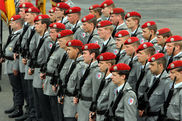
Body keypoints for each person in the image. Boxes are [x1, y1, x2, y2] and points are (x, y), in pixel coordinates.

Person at [28, 15, 54, 121]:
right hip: (37, 72)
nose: (35, 26)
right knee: (38, 102)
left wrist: (45, 75)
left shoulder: (47, 40)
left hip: (42, 74)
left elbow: (49, 60)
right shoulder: (40, 37)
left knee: (43, 104)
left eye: (37, 24)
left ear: (44, 25)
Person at [40, 23, 65, 121]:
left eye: (52, 32)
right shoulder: (54, 45)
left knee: (56, 110)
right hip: (48, 79)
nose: (50, 34)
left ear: (59, 34)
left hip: (55, 82)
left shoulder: (62, 49)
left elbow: (62, 69)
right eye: (50, 32)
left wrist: (57, 83)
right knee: (50, 107)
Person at [1, 15, 24, 118]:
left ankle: (19, 108)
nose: (10, 24)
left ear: (18, 24)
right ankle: (15, 105)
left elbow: (17, 53)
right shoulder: (14, 34)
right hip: (9, 62)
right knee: (14, 88)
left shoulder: (20, 35)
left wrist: (16, 67)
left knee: (17, 88)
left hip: (14, 63)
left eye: (12, 22)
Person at [139, 53, 172, 121]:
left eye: (152, 65)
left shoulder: (167, 82)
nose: (149, 67)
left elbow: (168, 104)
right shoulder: (152, 77)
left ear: (160, 65)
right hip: (145, 116)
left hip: (156, 118)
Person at [73, 43, 101, 121]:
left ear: (92, 55)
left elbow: (96, 92)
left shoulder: (96, 71)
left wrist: (94, 110)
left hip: (89, 106)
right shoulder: (86, 67)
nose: (83, 56)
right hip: (82, 104)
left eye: (85, 53)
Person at [89, 52, 117, 121]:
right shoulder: (104, 79)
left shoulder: (113, 82)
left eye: (101, 63)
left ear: (109, 65)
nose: (98, 65)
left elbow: (111, 106)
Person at [63, 39, 84, 121]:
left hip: (75, 104)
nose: (67, 52)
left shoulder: (81, 65)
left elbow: (81, 87)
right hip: (68, 102)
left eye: (69, 49)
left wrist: (79, 110)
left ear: (77, 50)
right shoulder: (73, 62)